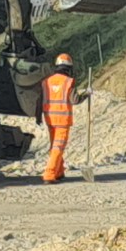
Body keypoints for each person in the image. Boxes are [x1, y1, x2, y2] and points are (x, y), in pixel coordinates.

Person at [41, 51, 78, 182]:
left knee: (55, 145)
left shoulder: (47, 81)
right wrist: (87, 94)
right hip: (62, 120)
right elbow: (74, 100)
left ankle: (59, 171)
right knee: (58, 146)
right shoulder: (68, 82)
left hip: (50, 119)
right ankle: (49, 174)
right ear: (69, 68)